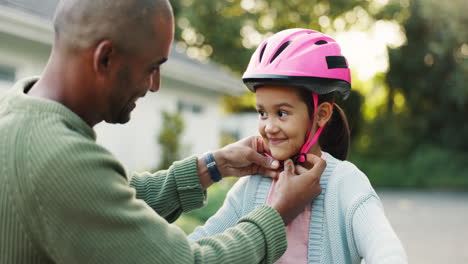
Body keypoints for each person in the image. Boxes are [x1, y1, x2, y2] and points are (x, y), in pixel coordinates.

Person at [0, 2, 328, 264]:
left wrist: (214, 166)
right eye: (152, 68)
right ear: (106, 58)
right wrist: (279, 213)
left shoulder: (17, 115)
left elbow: (112, 201)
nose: (154, 85)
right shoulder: (58, 157)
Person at [188, 29, 408, 264]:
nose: (269, 127)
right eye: (262, 113)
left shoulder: (345, 183)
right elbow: (196, 247)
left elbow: (386, 249)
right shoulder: (251, 187)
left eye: (282, 113)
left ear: (321, 114)